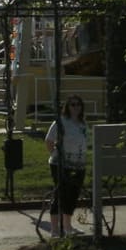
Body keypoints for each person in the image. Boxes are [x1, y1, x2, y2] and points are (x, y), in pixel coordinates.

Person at [44, 95, 88, 237]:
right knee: (60, 194)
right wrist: (58, 156)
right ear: (67, 107)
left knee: (72, 195)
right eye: (72, 105)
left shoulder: (82, 123)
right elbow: (49, 140)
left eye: (78, 105)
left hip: (79, 165)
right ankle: (55, 229)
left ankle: (68, 226)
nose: (76, 107)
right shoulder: (61, 122)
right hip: (61, 165)